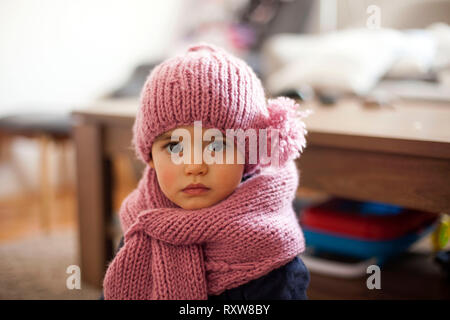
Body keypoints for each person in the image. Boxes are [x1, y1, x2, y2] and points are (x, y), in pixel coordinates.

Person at [101, 43, 311, 300]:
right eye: (175, 146)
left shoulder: (269, 250)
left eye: (217, 144)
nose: (195, 166)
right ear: (151, 158)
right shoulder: (141, 222)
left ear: (248, 154)